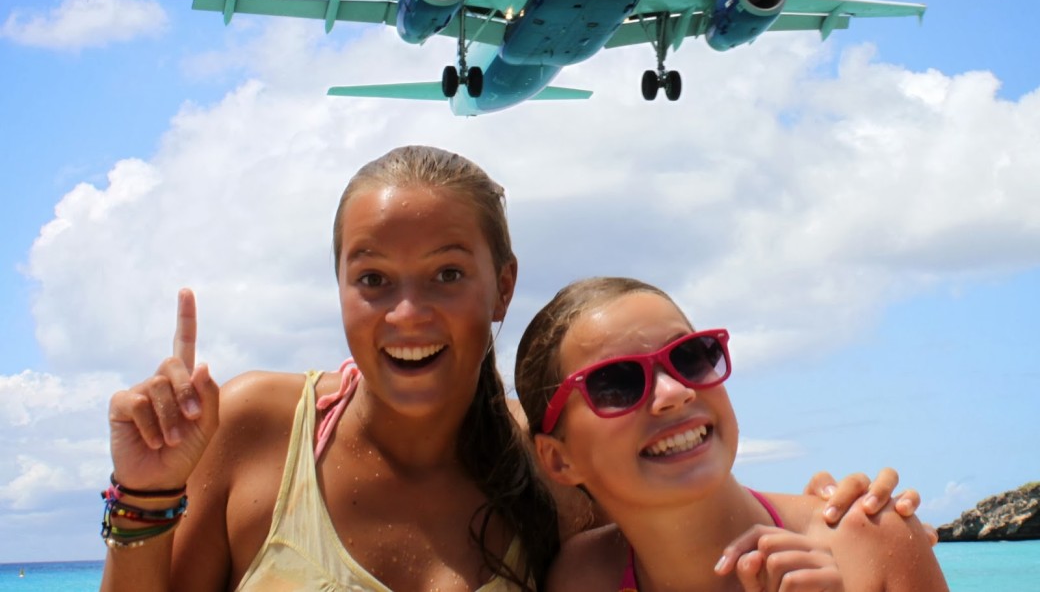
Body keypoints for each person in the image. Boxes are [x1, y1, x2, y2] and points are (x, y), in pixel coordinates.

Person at [102, 146, 922, 592]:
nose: (408, 312)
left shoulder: (558, 480)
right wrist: (143, 494)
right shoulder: (258, 429)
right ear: (341, 290)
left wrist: (847, 521)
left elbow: (683, 492)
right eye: (373, 278)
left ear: (504, 285)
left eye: (449, 273)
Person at [515, 276, 949, 592]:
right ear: (557, 458)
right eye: (616, 382)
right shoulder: (583, 577)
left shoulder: (872, 543)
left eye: (690, 356)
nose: (676, 392)